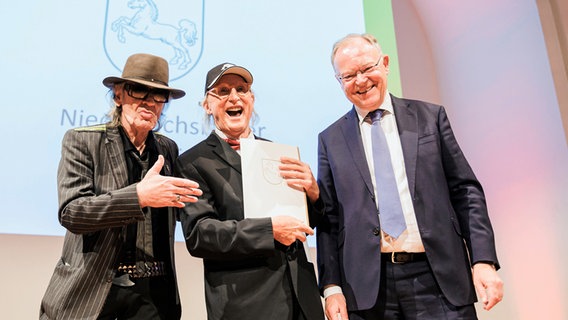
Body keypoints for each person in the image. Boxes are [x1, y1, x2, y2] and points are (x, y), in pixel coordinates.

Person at [316, 33, 504, 320]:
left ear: (386, 63)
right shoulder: (331, 139)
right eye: (349, 75)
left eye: (367, 69)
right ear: (339, 82)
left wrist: (483, 261)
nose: (361, 81)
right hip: (368, 292)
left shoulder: (430, 117)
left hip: (439, 278)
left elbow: (466, 192)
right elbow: (329, 219)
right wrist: (331, 287)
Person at [40, 53, 203, 320]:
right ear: (118, 96)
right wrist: (138, 196)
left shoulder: (167, 149)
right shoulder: (82, 141)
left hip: (152, 296)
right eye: (139, 90)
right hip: (94, 290)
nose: (149, 101)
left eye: (159, 95)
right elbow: (72, 212)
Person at [175, 62, 325, 320]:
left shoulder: (278, 154)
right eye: (222, 91)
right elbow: (199, 235)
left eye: (241, 89)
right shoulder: (192, 162)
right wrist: (269, 230)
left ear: (252, 100)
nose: (234, 97)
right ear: (207, 105)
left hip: (301, 297)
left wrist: (313, 193)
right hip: (245, 305)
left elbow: (307, 222)